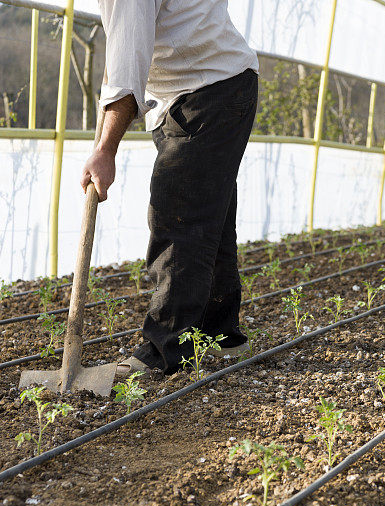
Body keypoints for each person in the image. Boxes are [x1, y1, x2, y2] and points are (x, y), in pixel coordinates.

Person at [81, 0, 259, 376]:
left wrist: (105, 151)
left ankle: (166, 350)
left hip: (206, 89)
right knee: (210, 215)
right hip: (217, 85)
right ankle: (222, 334)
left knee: (178, 216)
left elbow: (127, 74)